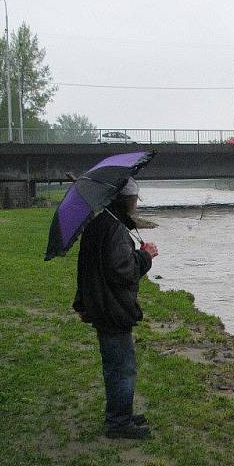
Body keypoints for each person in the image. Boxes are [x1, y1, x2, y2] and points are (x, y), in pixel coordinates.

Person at [73, 177, 159, 439]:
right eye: (135, 200)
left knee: (116, 366)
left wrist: (83, 302)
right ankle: (119, 423)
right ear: (127, 201)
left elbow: (94, 267)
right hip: (112, 308)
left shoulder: (99, 224)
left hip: (101, 305)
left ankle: (121, 413)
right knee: (122, 367)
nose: (136, 204)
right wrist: (146, 256)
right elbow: (123, 272)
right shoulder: (115, 230)